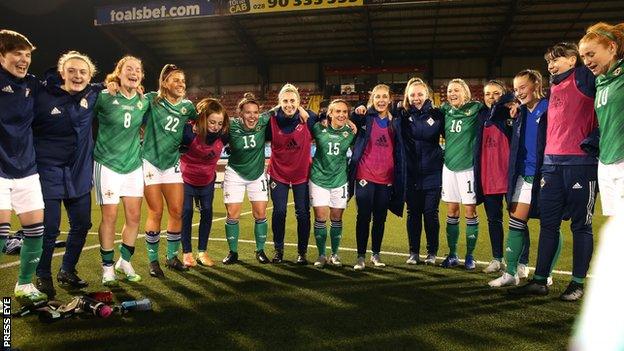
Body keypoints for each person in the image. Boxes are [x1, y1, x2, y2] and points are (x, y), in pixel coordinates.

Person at [33, 51, 102, 297]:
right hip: (47, 171)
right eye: (71, 70)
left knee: (82, 224)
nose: (77, 75)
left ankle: (67, 270)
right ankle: (42, 274)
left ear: (90, 75)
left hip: (79, 173)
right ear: (61, 73)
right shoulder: (42, 94)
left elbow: (116, 83)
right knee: (50, 229)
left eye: (83, 71)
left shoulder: (94, 94)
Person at [0, 29, 46, 304]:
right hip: (0, 171)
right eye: (17, 53)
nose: (24, 60)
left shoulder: (32, 84)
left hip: (27, 169)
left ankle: (25, 284)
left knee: (35, 231)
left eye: (27, 55)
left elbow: (62, 91)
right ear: (2, 55)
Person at [489, 70, 547, 287]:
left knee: (550, 226)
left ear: (536, 85)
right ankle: (511, 273)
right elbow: (494, 115)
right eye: (516, 88)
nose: (519, 92)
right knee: (515, 222)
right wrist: (510, 99)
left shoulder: (548, 107)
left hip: (545, 175)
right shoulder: (519, 111)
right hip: (522, 174)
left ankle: (546, 272)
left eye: (523, 87)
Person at [93, 56, 148, 286]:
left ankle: (124, 261)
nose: (134, 72)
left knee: (134, 216)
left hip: (133, 166)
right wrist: (104, 84)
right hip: (107, 164)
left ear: (141, 76)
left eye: (138, 70)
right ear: (119, 72)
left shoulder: (144, 101)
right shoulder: (105, 96)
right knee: (110, 217)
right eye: (129, 69)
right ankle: (107, 268)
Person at [142, 64, 197, 277]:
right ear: (164, 82)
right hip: (150, 162)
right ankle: (153, 260)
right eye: (176, 80)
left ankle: (171, 256)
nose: (181, 84)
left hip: (172, 163)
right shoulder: (152, 100)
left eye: (183, 80)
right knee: (155, 211)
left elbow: (201, 120)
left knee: (177, 210)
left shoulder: (188, 106)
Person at [474, 80, 531, 274]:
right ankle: (497, 258)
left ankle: (523, 262)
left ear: (504, 93)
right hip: (488, 176)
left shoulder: (513, 111)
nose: (491, 97)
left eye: (496, 93)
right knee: (493, 220)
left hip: (509, 177)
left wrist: (512, 104)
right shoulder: (481, 115)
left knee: (518, 221)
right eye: (488, 94)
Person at [349, 84, 404, 270]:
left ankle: (376, 254)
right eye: (377, 97)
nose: (381, 100)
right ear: (372, 99)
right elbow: (351, 119)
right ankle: (360, 256)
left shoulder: (395, 120)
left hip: (386, 178)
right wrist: (357, 111)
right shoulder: (365, 117)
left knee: (380, 218)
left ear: (390, 99)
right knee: (363, 216)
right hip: (365, 175)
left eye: (384, 97)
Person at [394, 78, 443, 265]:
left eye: (420, 94)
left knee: (431, 213)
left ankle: (432, 253)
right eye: (412, 94)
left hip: (433, 172)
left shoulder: (438, 115)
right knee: (413, 213)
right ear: (407, 96)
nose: (416, 98)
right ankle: (413, 252)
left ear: (427, 95)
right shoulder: (402, 115)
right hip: (411, 174)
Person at [267, 83, 317, 265]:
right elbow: (258, 118)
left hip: (301, 174)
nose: (289, 104)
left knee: (303, 214)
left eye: (292, 101)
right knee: (279, 212)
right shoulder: (271, 120)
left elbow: (329, 118)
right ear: (279, 102)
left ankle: (302, 252)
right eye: (285, 101)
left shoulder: (309, 118)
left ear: (299, 101)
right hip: (278, 173)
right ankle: (278, 250)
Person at [579, 22, 624, 215]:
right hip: (606, 161)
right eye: (583, 57)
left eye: (591, 54)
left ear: (612, 48)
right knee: (616, 226)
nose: (587, 62)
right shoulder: (600, 81)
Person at [221, 93, 270, 264]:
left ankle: (260, 250)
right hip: (235, 173)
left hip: (257, 174)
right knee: (232, 214)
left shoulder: (264, 121)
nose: (252, 116)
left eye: (255, 112)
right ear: (240, 114)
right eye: (248, 112)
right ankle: (233, 252)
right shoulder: (230, 125)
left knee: (260, 213)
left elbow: (282, 110)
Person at [439, 79, 483, 270]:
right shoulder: (445, 110)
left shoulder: (476, 108)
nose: (452, 93)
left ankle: (470, 256)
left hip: (468, 168)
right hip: (448, 167)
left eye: (456, 90)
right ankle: (452, 254)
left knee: (470, 211)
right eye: (450, 91)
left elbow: (496, 104)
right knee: (451, 211)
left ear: (465, 92)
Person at [179, 98, 229, 267]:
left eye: (219, 123)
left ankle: (202, 252)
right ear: (203, 119)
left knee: (207, 212)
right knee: (186, 212)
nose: (216, 126)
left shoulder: (224, 134)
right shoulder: (188, 132)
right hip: (186, 180)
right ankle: (186, 253)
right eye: (212, 122)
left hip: (207, 181)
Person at [309, 99, 355, 267]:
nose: (341, 115)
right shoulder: (318, 128)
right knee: (320, 217)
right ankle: (321, 255)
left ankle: (334, 254)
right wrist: (321, 116)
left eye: (344, 112)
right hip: (318, 179)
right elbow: (309, 116)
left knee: (336, 218)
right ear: (330, 113)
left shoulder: (351, 133)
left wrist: (350, 122)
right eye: (338, 111)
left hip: (339, 180)